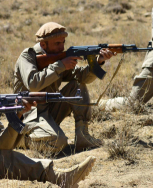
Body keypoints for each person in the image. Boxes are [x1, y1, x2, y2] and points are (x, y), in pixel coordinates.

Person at [13, 22, 114, 154]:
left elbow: (82, 78)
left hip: (50, 109)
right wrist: (60, 65)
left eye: (63, 42)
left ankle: (83, 137)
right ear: (43, 44)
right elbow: (33, 84)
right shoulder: (28, 56)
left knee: (77, 85)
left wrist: (98, 62)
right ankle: (21, 140)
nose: (62, 48)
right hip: (29, 114)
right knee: (59, 143)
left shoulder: (58, 59)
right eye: (57, 44)